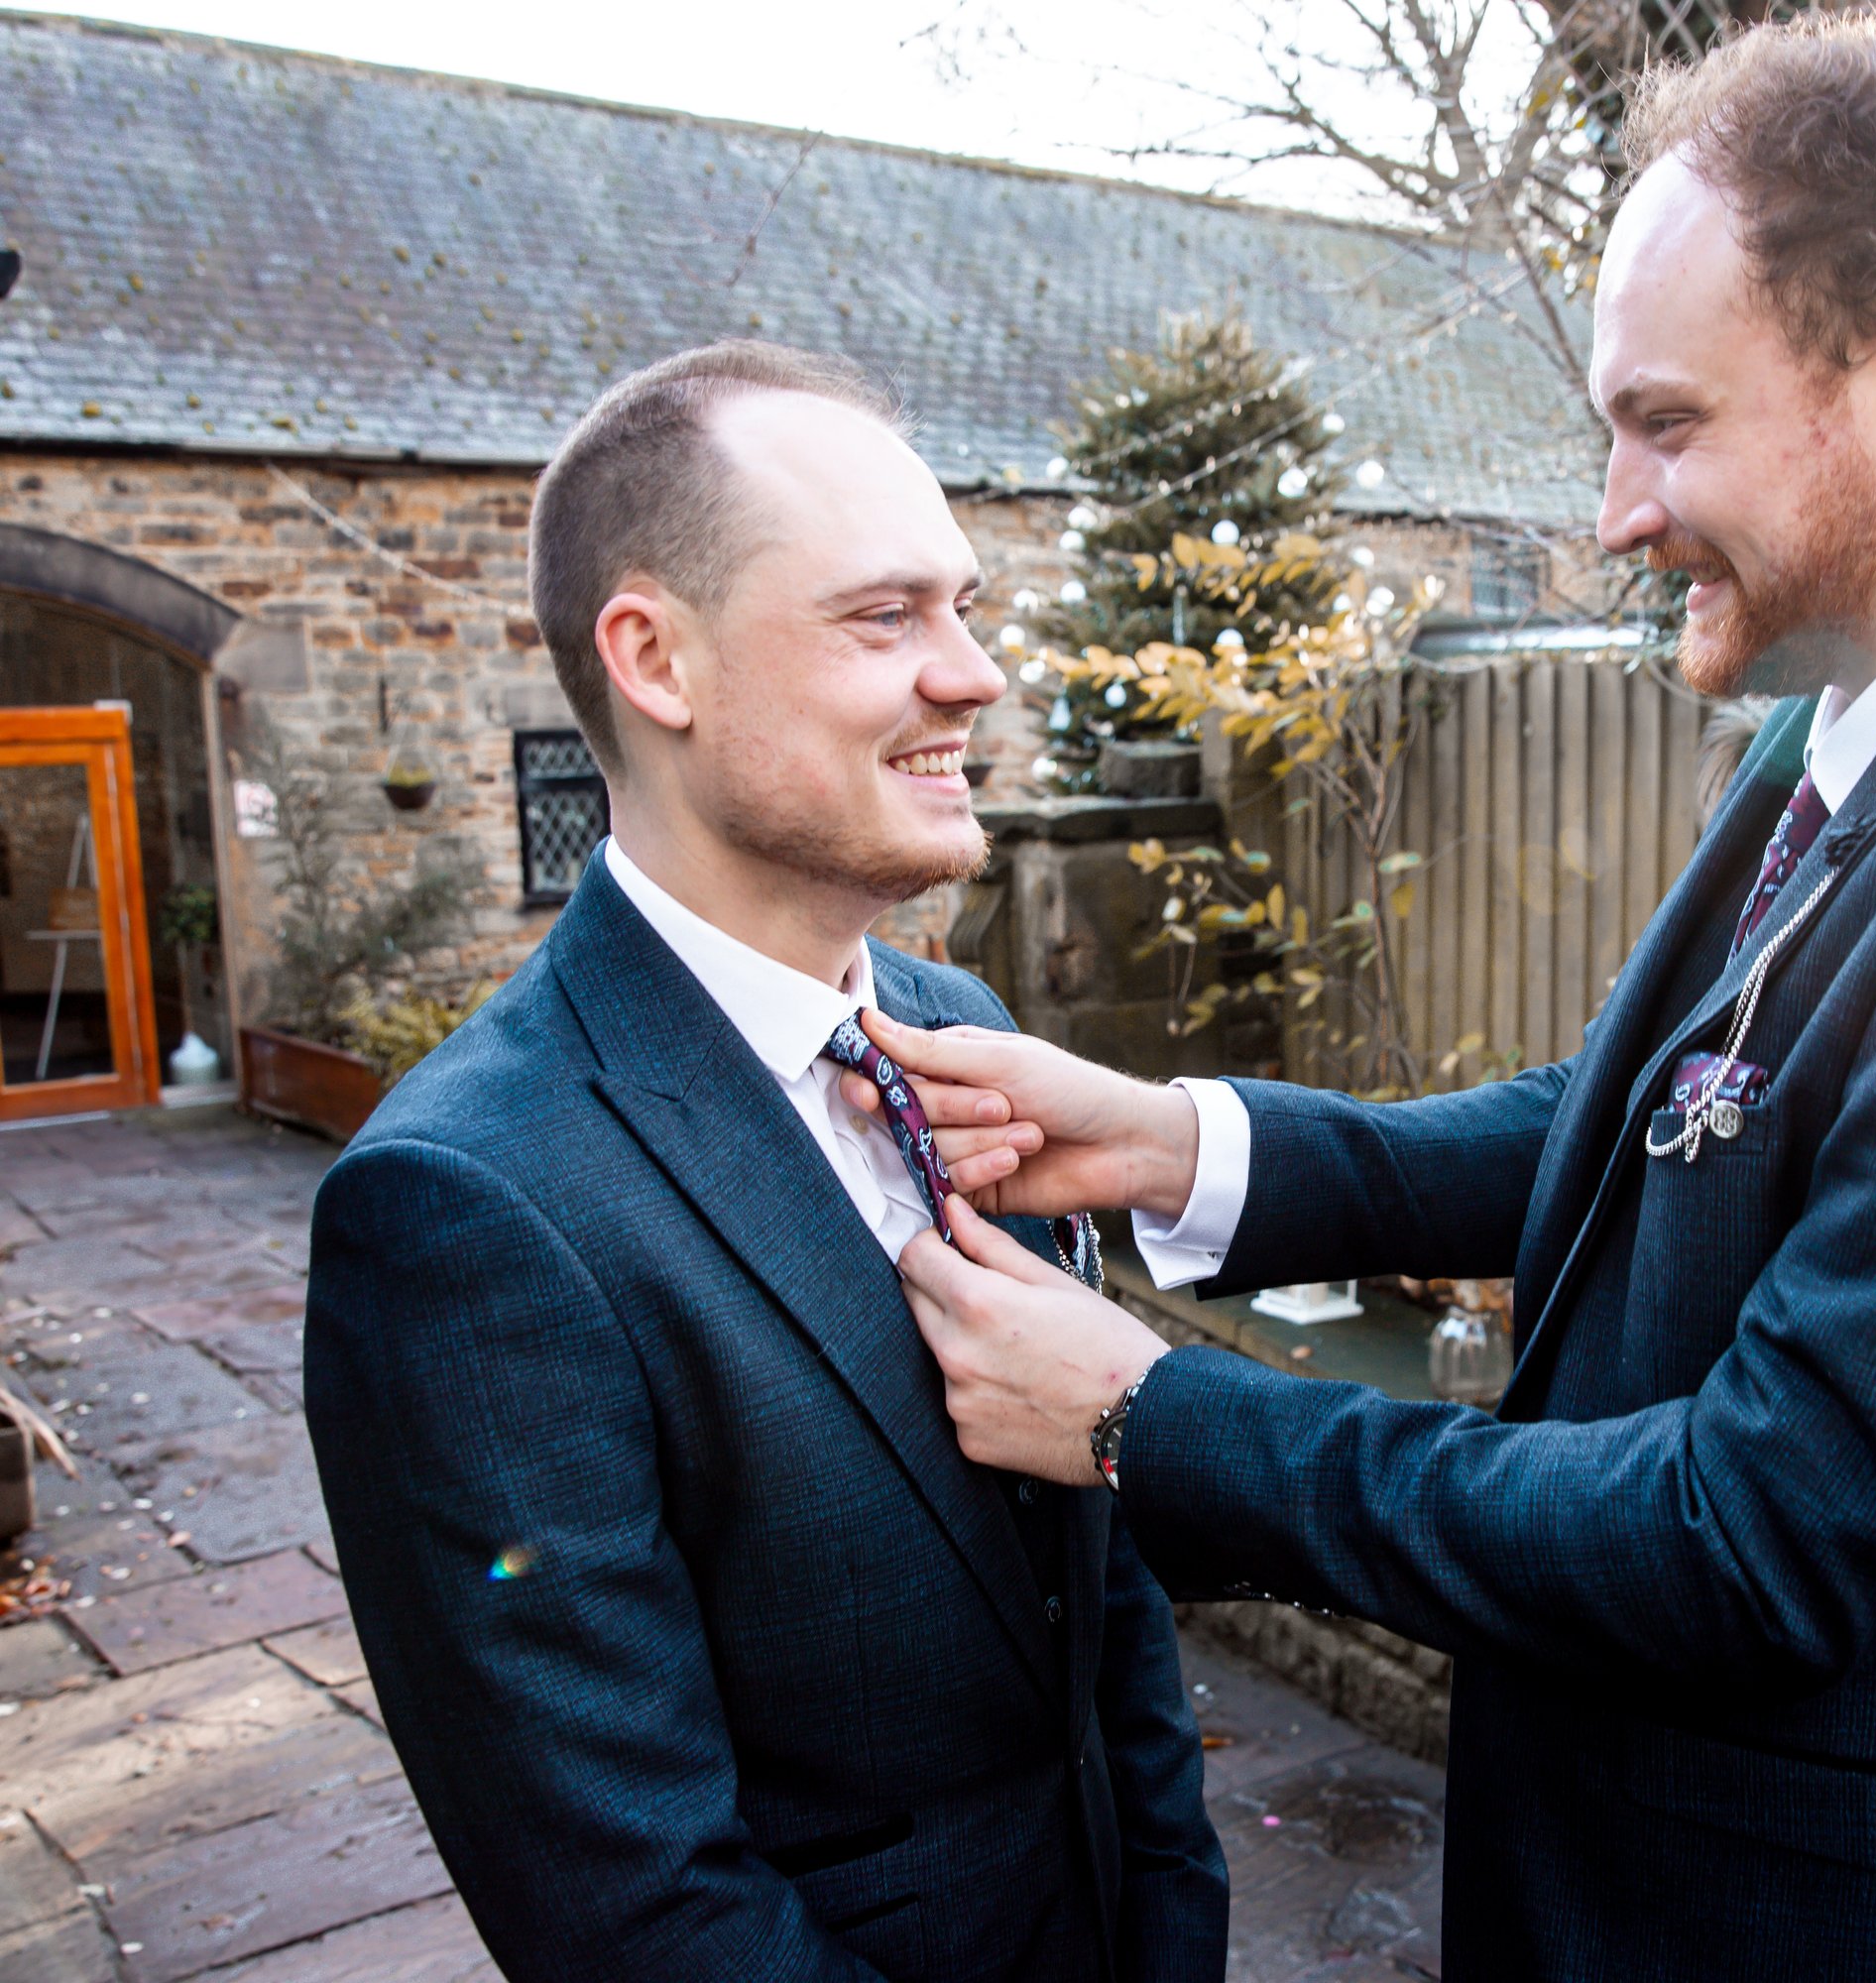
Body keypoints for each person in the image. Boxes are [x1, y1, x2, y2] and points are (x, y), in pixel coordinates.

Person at [874, 21, 1876, 1982]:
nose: (1612, 510)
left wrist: (1152, 1415)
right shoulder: (1862, 715)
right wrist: (1185, 1142)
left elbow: (1759, 1529)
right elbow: (1671, 1113)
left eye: (1663, 420)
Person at [302, 342, 1226, 1983]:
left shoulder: (961, 1031)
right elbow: (630, 1901)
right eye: (887, 619)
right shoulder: (462, 1209)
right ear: (657, 659)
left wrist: (1174, 1924)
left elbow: (1102, 1611)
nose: (977, 676)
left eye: (966, 606)